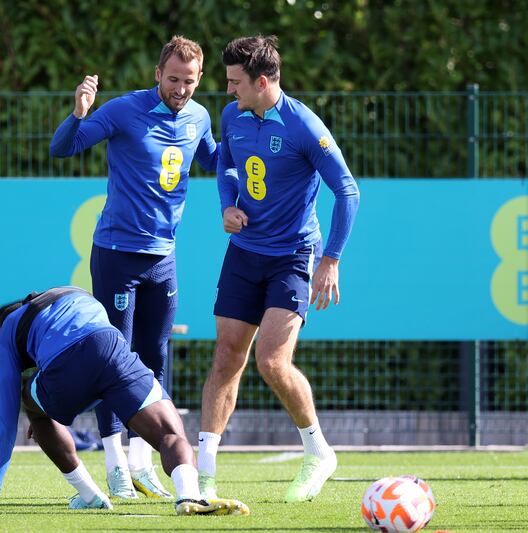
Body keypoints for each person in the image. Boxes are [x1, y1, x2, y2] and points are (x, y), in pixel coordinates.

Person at [49, 36, 218, 500]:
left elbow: (214, 160)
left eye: (188, 81)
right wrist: (80, 110)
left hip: (163, 257)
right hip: (117, 254)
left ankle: (143, 460)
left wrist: (254, 154)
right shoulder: (125, 110)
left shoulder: (200, 117)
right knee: (113, 357)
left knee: (155, 355)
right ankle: (115, 463)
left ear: (198, 80)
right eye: (172, 79)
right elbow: (64, 147)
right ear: (157, 75)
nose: (180, 88)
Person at [197, 35, 361, 503]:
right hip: (244, 252)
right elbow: (226, 161)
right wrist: (228, 204)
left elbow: (347, 191)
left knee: (271, 360)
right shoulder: (233, 116)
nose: (228, 92)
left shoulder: (304, 126)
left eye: (234, 82)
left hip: (292, 256)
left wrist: (330, 259)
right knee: (227, 354)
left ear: (262, 81)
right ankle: (203, 475)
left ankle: (318, 452)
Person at [0, 287, 249, 516]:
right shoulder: (75, 294)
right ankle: (190, 496)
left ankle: (89, 494)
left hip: (67, 366)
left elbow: (5, 421)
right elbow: (95, 360)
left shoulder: (9, 328)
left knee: (28, 401)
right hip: (113, 350)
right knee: (169, 434)